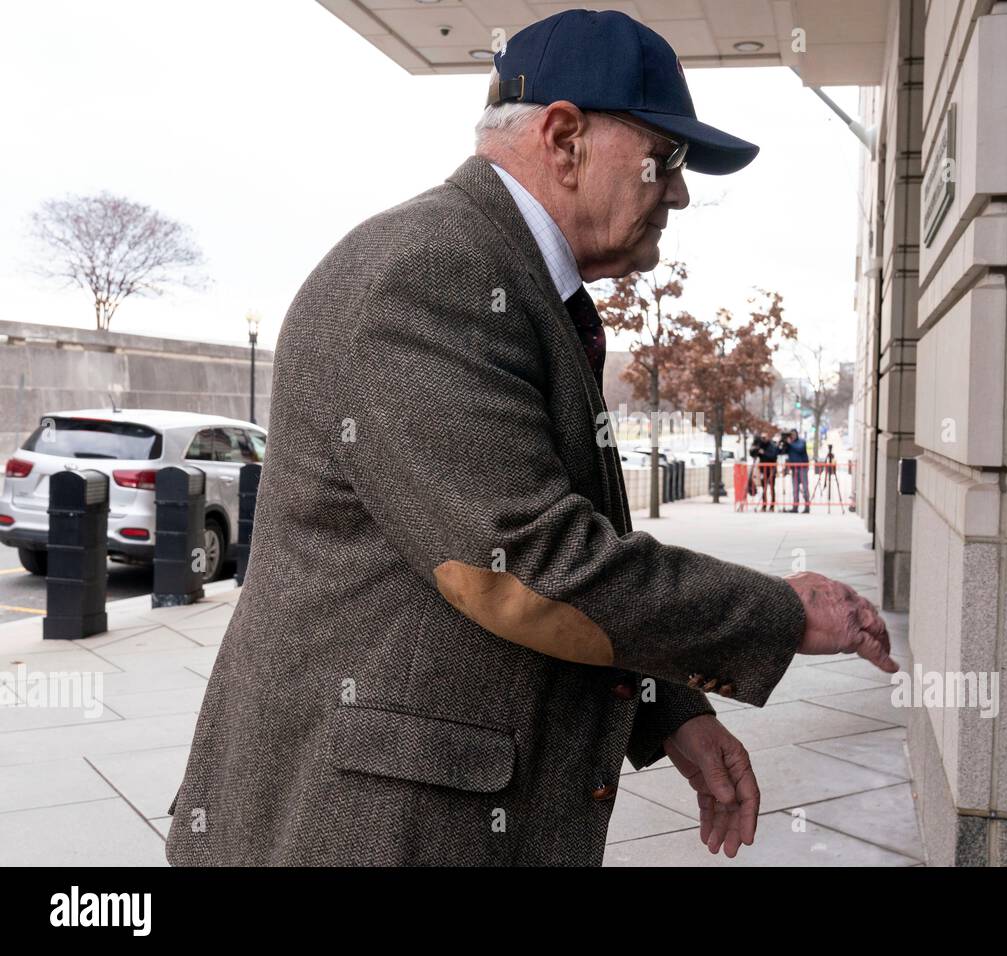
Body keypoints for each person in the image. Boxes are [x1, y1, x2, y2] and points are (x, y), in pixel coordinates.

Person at [165, 9, 893, 867]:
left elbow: (537, 555)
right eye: (669, 157)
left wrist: (669, 710)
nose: (682, 191)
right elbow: (527, 565)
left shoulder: (501, 276)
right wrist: (779, 612)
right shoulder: (432, 273)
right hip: (366, 827)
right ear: (564, 136)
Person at [778, 429, 811, 513]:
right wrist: (781, 442)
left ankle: (807, 507)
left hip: (802, 468)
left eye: (793, 434)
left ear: (796, 434)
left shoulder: (801, 441)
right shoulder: (789, 444)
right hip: (794, 468)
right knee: (795, 488)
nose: (792, 436)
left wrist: (790, 443)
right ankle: (795, 507)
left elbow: (800, 449)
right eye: (791, 434)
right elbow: (781, 452)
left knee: (805, 487)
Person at [748, 432, 780, 512]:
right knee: (764, 488)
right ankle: (764, 505)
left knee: (772, 488)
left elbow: (773, 456)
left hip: (771, 470)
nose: (763, 439)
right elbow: (753, 454)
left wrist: (763, 453)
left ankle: (772, 505)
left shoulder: (772, 445)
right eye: (762, 437)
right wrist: (755, 447)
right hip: (763, 470)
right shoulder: (760, 445)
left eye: (765, 437)